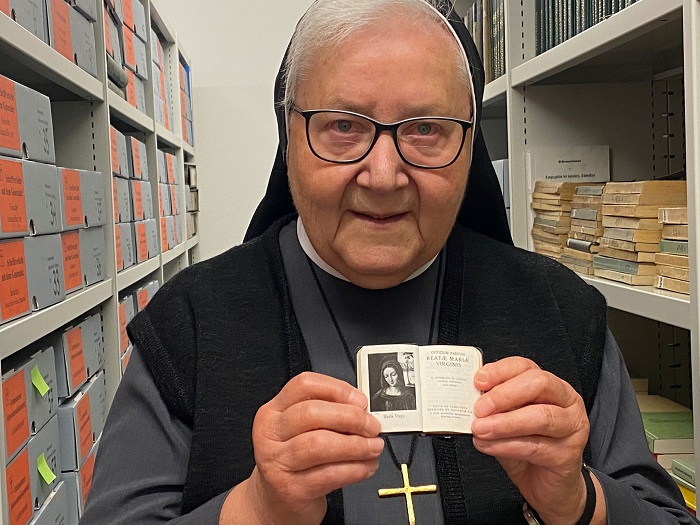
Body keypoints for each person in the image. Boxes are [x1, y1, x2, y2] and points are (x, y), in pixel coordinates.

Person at [80, 1, 699, 524]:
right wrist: (255, 509)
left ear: (470, 145)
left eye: (426, 129)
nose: (383, 175)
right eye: (343, 127)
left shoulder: (561, 310)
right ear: (289, 136)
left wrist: (580, 500)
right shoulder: (190, 322)